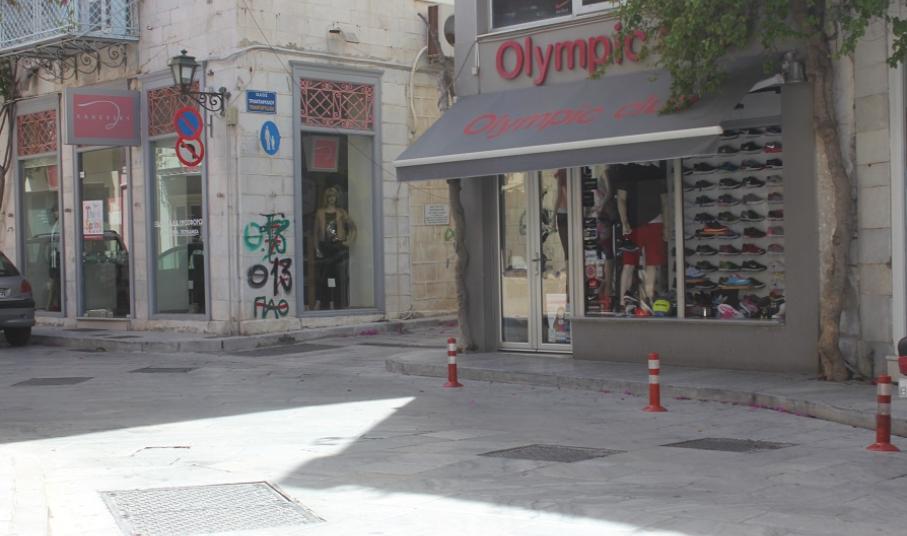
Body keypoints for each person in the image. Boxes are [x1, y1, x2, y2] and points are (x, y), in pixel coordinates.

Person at [612, 164, 669, 313]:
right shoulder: (654, 172)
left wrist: (625, 222)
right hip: (644, 224)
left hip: (638, 224)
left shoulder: (627, 171)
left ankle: (626, 302)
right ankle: (644, 299)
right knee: (645, 264)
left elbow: (621, 199)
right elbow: (664, 201)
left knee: (632, 264)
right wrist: (666, 226)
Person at [314, 185, 356, 310]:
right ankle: (325, 301)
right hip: (325, 247)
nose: (331, 199)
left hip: (337, 247)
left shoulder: (341, 212)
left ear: (336, 198)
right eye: (329, 197)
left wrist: (349, 241)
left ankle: (326, 302)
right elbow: (315, 233)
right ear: (326, 198)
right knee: (324, 276)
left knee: (332, 276)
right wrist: (317, 248)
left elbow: (352, 227)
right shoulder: (320, 212)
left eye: (333, 196)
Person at [46, 204, 61, 311]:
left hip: (59, 255)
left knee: (55, 282)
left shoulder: (61, 224)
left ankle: (50, 305)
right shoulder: (55, 224)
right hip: (54, 256)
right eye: (54, 212)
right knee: (53, 281)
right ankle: (52, 304)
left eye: (56, 211)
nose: (55, 213)